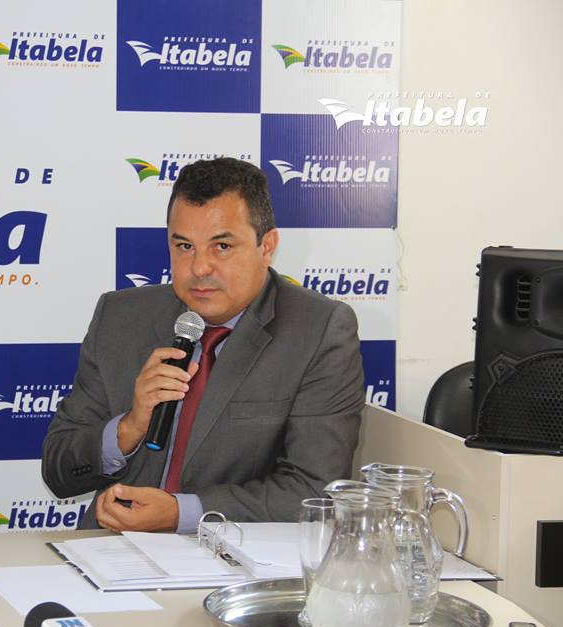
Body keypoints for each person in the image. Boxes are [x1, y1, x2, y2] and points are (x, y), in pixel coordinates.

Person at [41, 157, 364, 533]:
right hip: (110, 552)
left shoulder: (318, 330)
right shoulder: (119, 317)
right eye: (184, 246)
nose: (199, 268)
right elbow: (58, 472)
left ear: (267, 246)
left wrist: (183, 513)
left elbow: (314, 492)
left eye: (222, 246)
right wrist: (129, 427)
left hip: (232, 565)